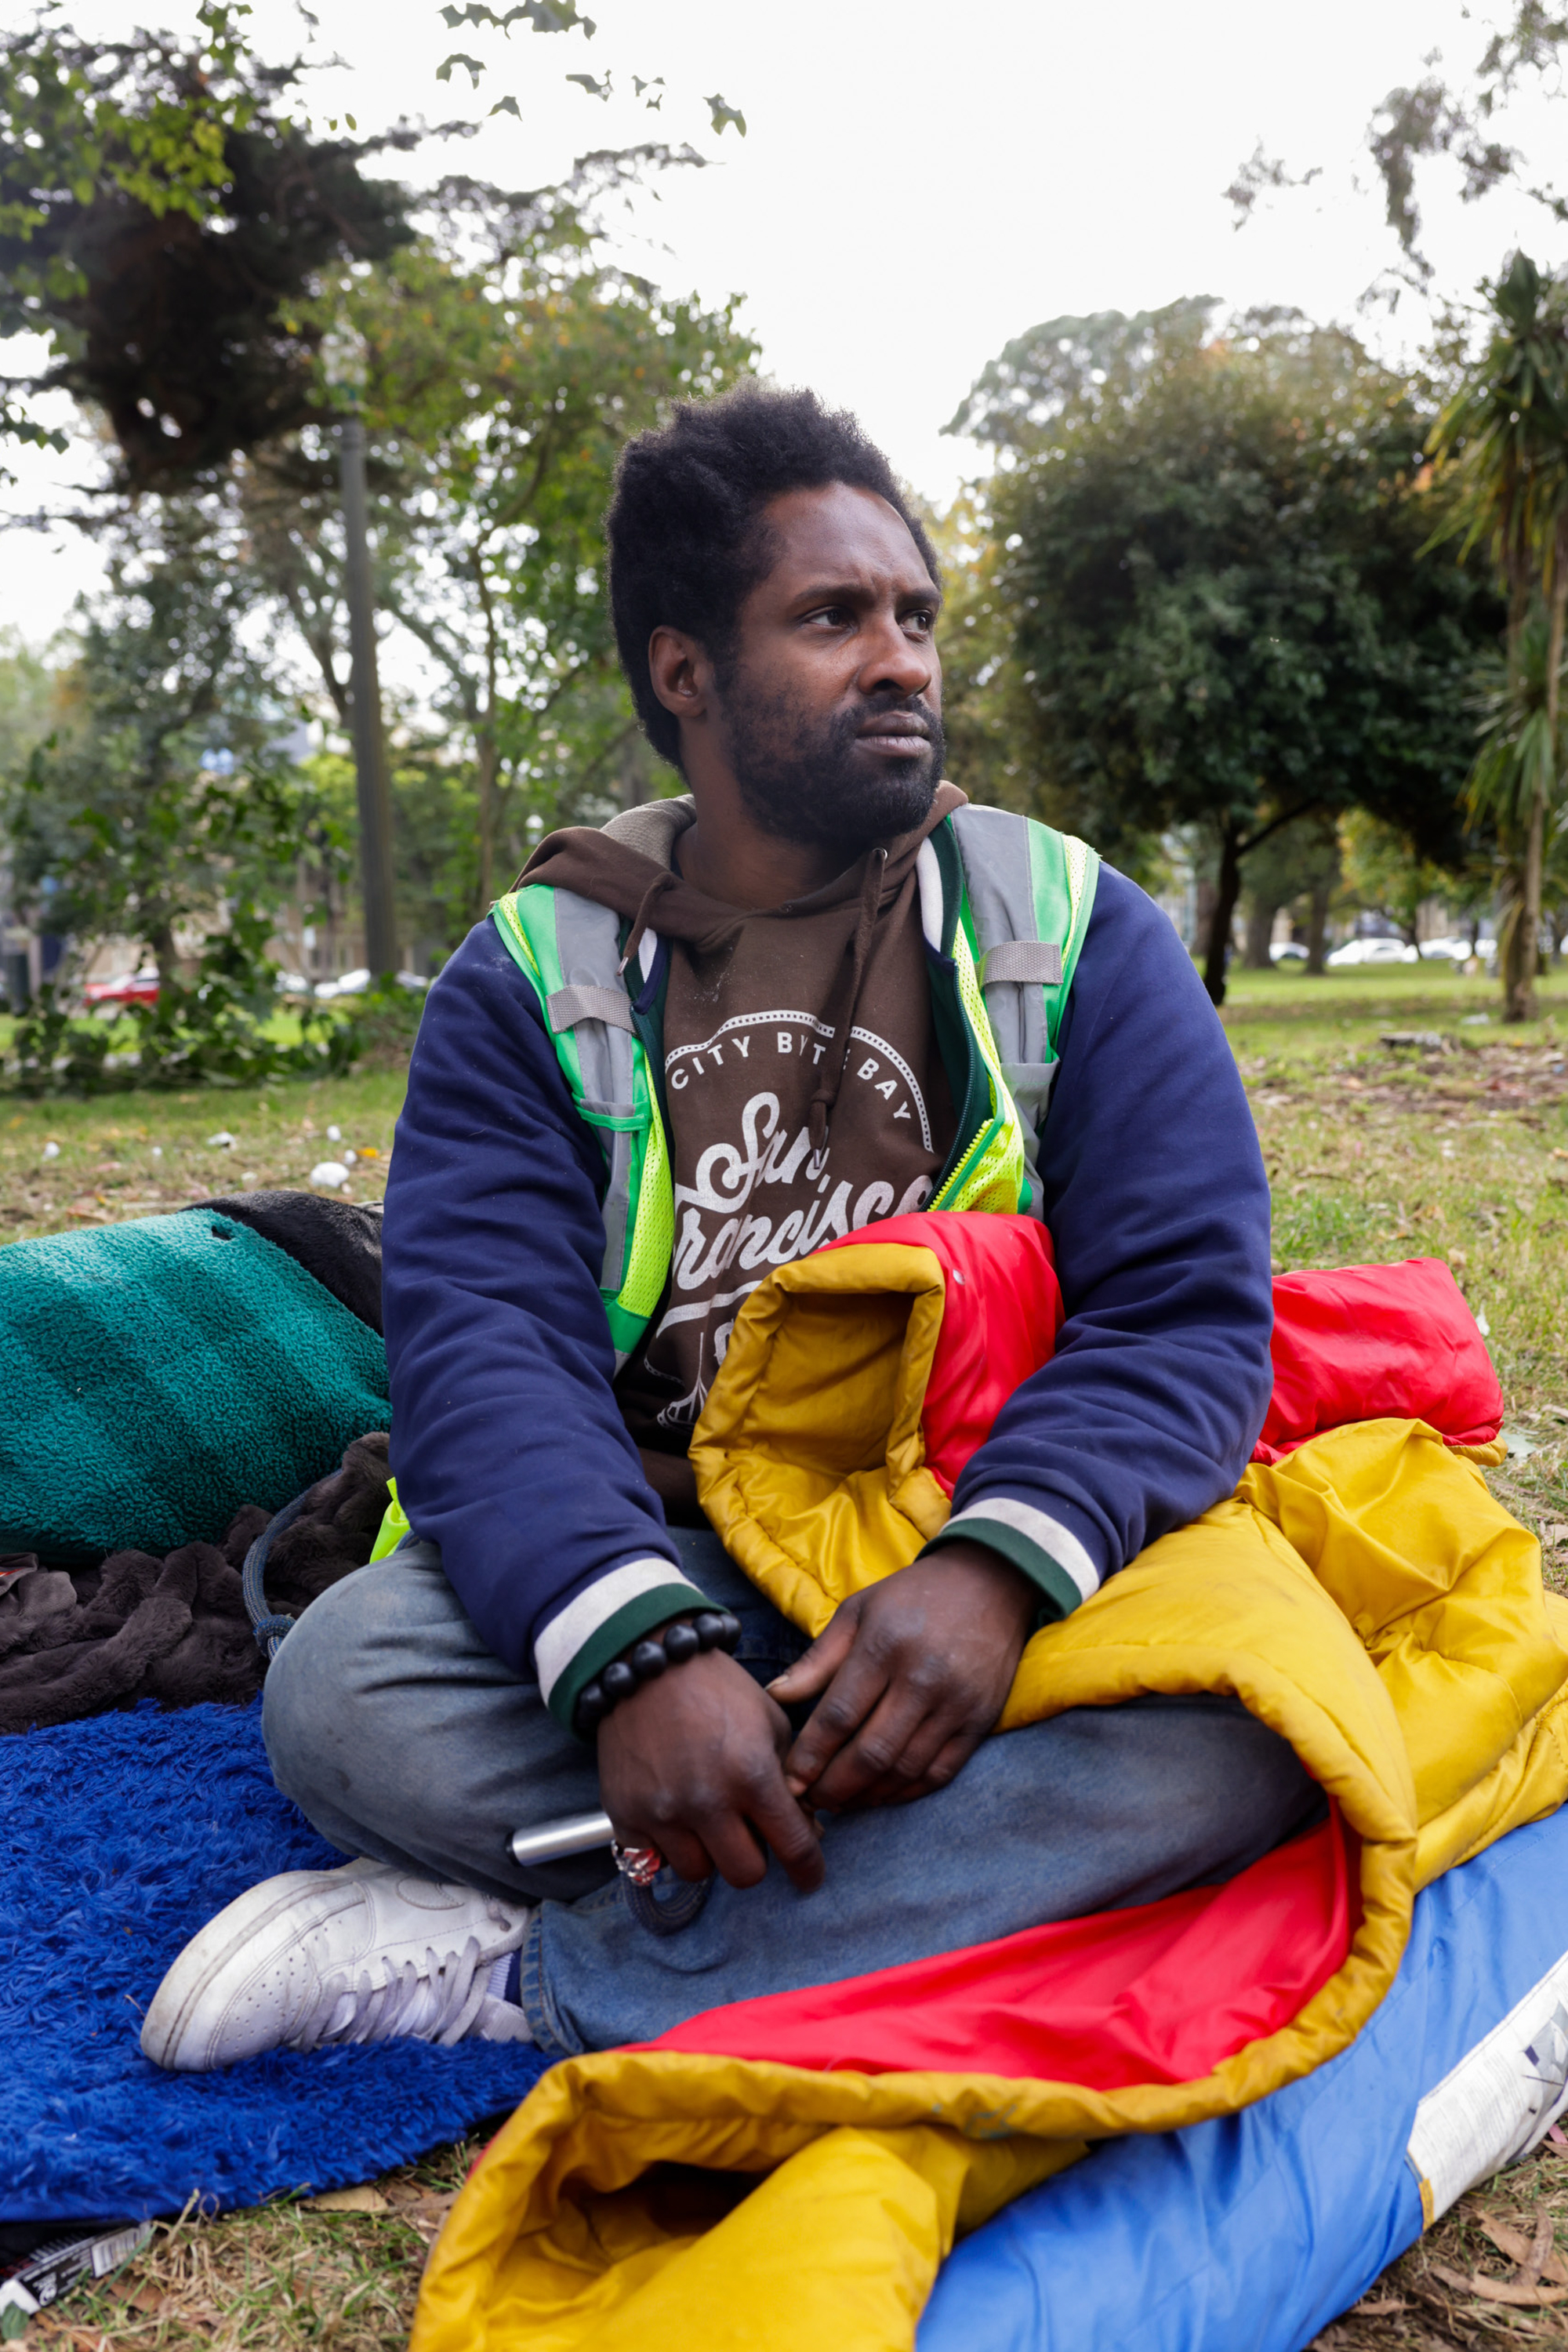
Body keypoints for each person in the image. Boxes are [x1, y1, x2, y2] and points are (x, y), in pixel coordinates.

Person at [143, 385, 1317, 2072]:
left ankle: (548, 1974)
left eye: (912, 616)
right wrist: (629, 1659)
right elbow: (485, 1351)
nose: (901, 658)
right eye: (832, 618)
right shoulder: (535, 973)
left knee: (1237, 1739)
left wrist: (991, 1576)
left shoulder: (1069, 928)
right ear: (685, 672)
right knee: (343, 1698)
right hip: (670, 1549)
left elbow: (1186, 1315)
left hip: (978, 1549)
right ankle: (915, 1885)